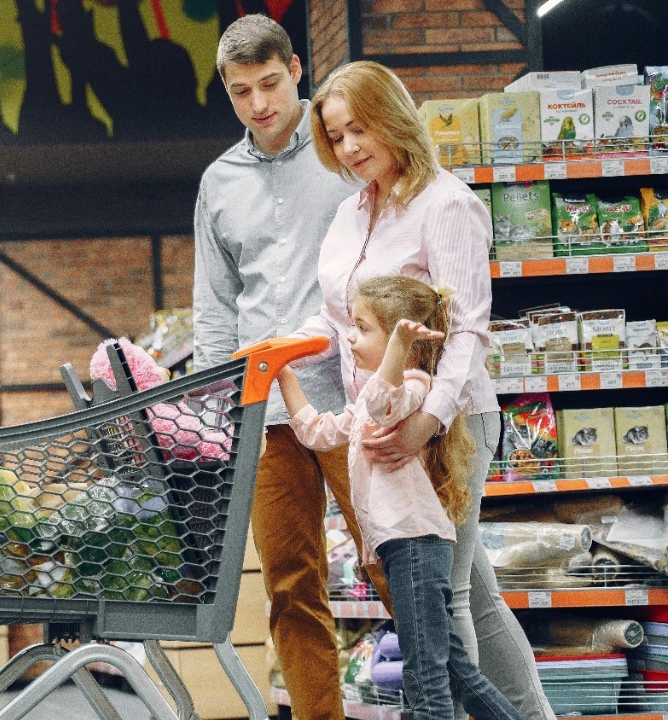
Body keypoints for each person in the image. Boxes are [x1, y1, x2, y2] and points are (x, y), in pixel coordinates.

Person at [293, 60, 555, 720]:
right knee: (473, 594)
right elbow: (333, 317)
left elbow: (468, 330)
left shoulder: (446, 204)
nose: (350, 147)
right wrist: (282, 350)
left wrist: (430, 420)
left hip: (448, 423)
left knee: (448, 602)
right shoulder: (352, 213)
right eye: (336, 136)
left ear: (392, 117)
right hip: (383, 425)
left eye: (359, 128)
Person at [192, 15, 376, 720]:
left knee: (392, 561)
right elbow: (214, 306)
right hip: (265, 411)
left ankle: (432, 703)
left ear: (296, 69)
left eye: (269, 83)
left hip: (357, 398)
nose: (259, 104)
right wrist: (216, 423)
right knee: (292, 586)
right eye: (241, 92)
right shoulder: (219, 181)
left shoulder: (341, 151)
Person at [277, 276, 523, 720]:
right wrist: (284, 373)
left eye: (363, 327)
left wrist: (396, 351)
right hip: (403, 547)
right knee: (456, 672)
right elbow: (318, 431)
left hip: (416, 546)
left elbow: (383, 406)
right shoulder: (371, 394)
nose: (350, 337)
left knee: (426, 680)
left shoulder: (414, 384)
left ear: (399, 340)